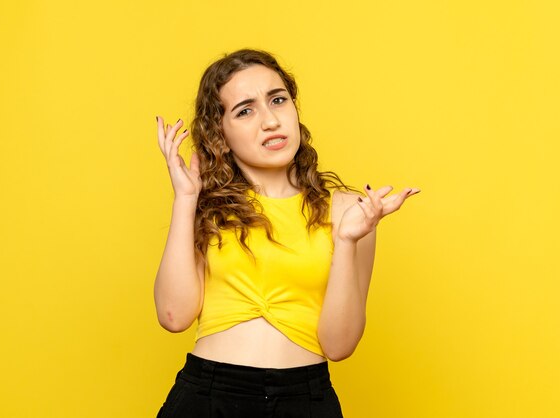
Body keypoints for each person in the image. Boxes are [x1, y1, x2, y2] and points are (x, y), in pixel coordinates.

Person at [153, 49, 420, 418]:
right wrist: (185, 198)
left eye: (277, 100)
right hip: (207, 397)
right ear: (222, 135)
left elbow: (339, 345)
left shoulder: (349, 212)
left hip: (305, 399)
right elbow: (172, 315)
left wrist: (345, 241)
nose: (270, 121)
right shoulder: (206, 208)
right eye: (245, 110)